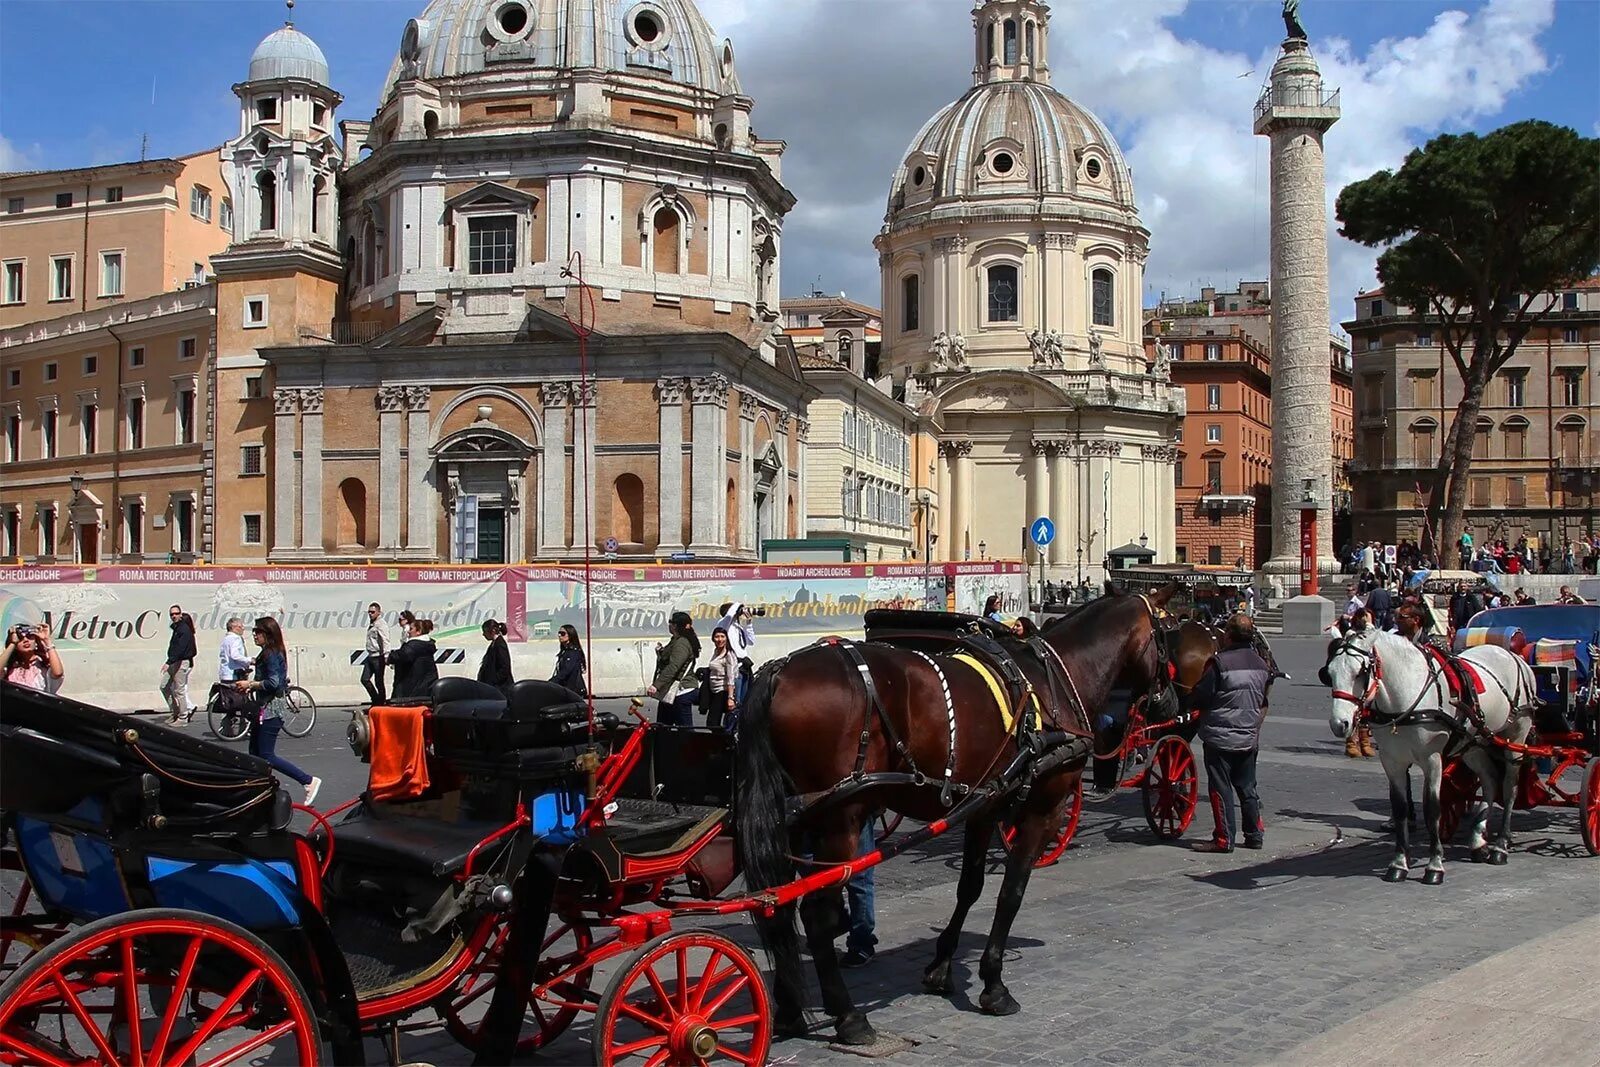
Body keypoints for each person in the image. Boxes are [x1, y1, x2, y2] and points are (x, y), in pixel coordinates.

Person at [1189, 614, 1270, 853]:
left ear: (1229, 636)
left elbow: (1202, 696)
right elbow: (1263, 699)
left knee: (1221, 788)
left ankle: (1224, 839)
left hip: (1220, 737)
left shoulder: (1219, 663)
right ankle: (1254, 835)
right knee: (1247, 788)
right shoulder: (1261, 664)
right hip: (1248, 735)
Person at [236, 617, 320, 805]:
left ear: (268, 634)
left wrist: (251, 684)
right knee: (254, 754)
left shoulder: (271, 654)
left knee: (266, 755)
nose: (254, 635)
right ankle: (256, 792)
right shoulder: (267, 653)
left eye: (258, 632)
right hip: (264, 709)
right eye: (254, 632)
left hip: (271, 710)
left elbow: (273, 683)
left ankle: (307, 781)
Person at [647, 611, 700, 726]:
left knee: (684, 730)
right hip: (670, 691)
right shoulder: (676, 640)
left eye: (670, 622)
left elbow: (674, 666)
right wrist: (661, 652)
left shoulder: (682, 643)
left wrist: (656, 685)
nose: (669, 625)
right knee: (663, 727)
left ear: (675, 625)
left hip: (681, 691)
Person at [715, 602, 760, 710]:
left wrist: (748, 623)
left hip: (744, 666)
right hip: (734, 667)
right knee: (736, 701)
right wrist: (740, 605)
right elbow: (729, 615)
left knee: (745, 701)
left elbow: (751, 641)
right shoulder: (723, 624)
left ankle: (741, 720)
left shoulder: (737, 626)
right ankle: (732, 721)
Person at [161, 605, 198, 725]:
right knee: (164, 686)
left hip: (181, 661)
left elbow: (181, 649)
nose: (174, 616)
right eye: (171, 614)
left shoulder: (184, 629)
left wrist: (169, 662)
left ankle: (183, 717)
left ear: (180, 614)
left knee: (179, 690)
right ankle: (175, 712)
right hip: (173, 661)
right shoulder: (177, 628)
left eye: (176, 613)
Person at [388, 617, 439, 700]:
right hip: (426, 689)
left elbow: (401, 656)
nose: (408, 631)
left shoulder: (413, 646)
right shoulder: (427, 645)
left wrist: (389, 657)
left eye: (411, 629)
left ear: (418, 632)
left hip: (411, 692)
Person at [2, 624, 64, 691]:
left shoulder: (43, 666)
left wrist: (47, 640)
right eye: (20, 638)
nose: (26, 640)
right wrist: (13, 643)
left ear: (36, 641)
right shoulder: (9, 668)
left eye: (30, 637)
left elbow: (58, 673)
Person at [704, 626, 738, 730]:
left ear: (727, 638)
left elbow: (731, 677)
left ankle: (722, 739)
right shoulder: (716, 652)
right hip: (713, 690)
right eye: (717, 637)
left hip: (722, 691)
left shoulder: (728, 655)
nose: (720, 639)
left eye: (722, 636)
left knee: (712, 722)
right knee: (713, 723)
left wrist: (730, 698)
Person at [361, 602, 390, 704]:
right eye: (369, 612)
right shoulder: (372, 623)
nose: (370, 614)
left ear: (378, 612)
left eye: (373, 612)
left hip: (378, 657)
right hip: (370, 656)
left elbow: (385, 640)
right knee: (364, 679)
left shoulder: (381, 624)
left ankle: (381, 702)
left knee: (379, 681)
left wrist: (386, 655)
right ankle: (375, 699)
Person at [478, 619, 514, 697]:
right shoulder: (494, 644)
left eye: (485, 631)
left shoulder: (500, 645)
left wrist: (493, 682)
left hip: (500, 690)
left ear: (493, 630)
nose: (483, 634)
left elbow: (504, 668)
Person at [550, 624, 588, 698]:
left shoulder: (573, 652)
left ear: (570, 635)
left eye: (563, 633)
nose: (560, 636)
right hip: (566, 689)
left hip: (573, 690)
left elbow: (566, 671)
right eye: (559, 633)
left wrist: (551, 682)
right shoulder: (565, 651)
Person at [218, 617, 252, 683]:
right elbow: (235, 655)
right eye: (240, 626)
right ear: (233, 628)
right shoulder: (236, 638)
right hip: (234, 676)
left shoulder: (226, 639)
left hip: (225, 675)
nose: (243, 628)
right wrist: (250, 660)